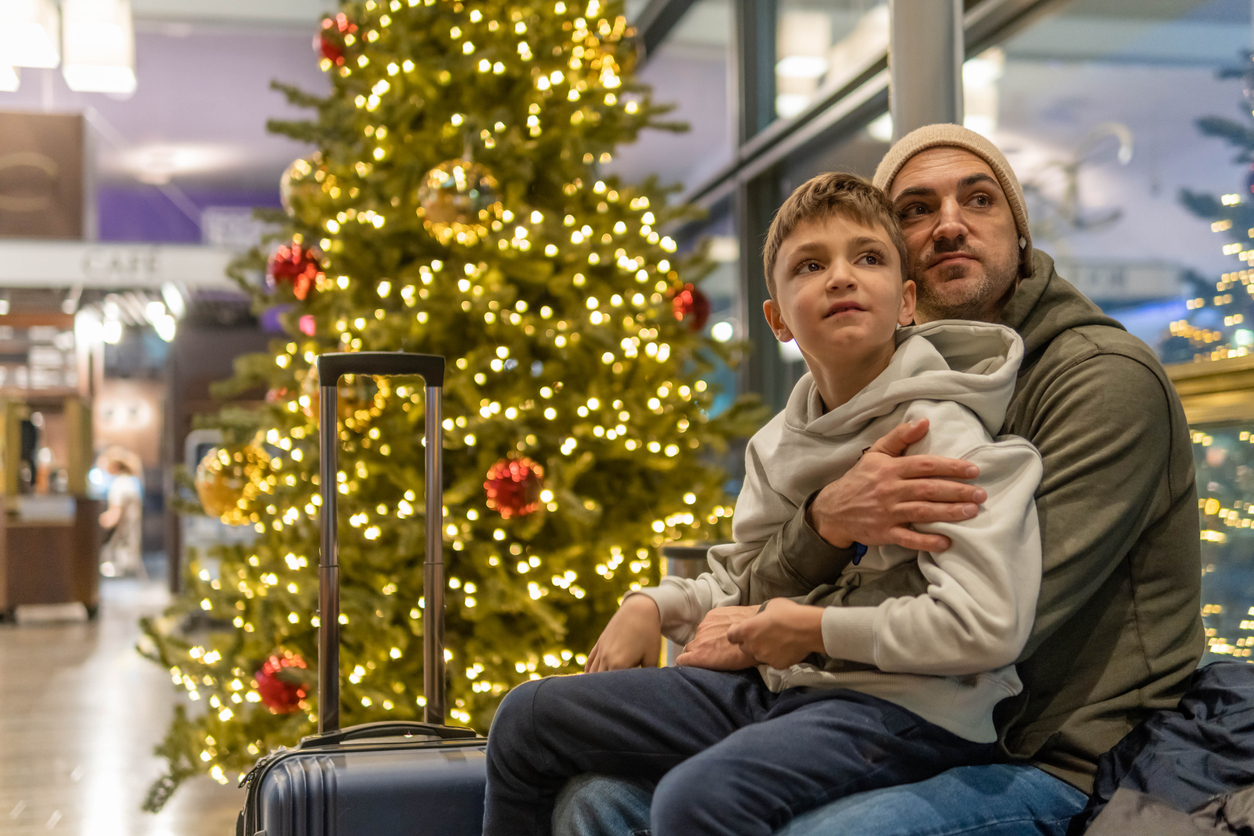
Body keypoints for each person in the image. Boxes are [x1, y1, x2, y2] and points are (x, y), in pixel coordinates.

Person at [552, 124, 1205, 836]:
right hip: (863, 703)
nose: (950, 224)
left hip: (1055, 752)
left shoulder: (1101, 381)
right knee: (597, 799)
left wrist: (785, 623)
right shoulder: (874, 394)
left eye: (979, 200)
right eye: (917, 209)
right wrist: (815, 529)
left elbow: (998, 625)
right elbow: (776, 570)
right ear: (907, 279)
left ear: (1020, 236)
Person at [483, 172, 1046, 836]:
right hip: (782, 687)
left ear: (906, 301)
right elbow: (743, 585)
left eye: (867, 258)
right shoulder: (775, 444)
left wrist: (809, 631)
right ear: (777, 318)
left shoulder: (942, 433)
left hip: (911, 710)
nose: (841, 277)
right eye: (812, 265)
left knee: (698, 800)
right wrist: (654, 603)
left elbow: (987, 625)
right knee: (525, 719)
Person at [99, 449, 145, 578]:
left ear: (113, 465)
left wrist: (95, 522)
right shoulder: (132, 482)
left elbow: (114, 517)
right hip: (131, 543)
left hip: (119, 547)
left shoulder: (118, 485)